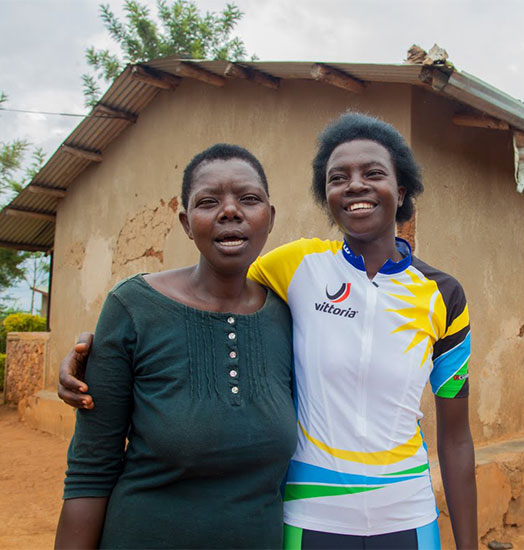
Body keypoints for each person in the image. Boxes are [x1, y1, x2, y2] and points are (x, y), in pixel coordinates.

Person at [59, 113, 478, 549]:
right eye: (338, 177)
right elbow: (204, 297)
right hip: (311, 513)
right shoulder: (299, 267)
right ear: (327, 195)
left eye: (373, 173)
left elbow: (456, 435)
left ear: (402, 188)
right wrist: (99, 349)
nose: (355, 185)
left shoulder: (442, 295)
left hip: (405, 511)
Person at [55, 144, 297, 549]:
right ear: (186, 222)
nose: (230, 211)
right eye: (208, 202)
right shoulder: (132, 307)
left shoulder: (289, 316)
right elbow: (90, 469)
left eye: (249, 199)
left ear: (269, 217)